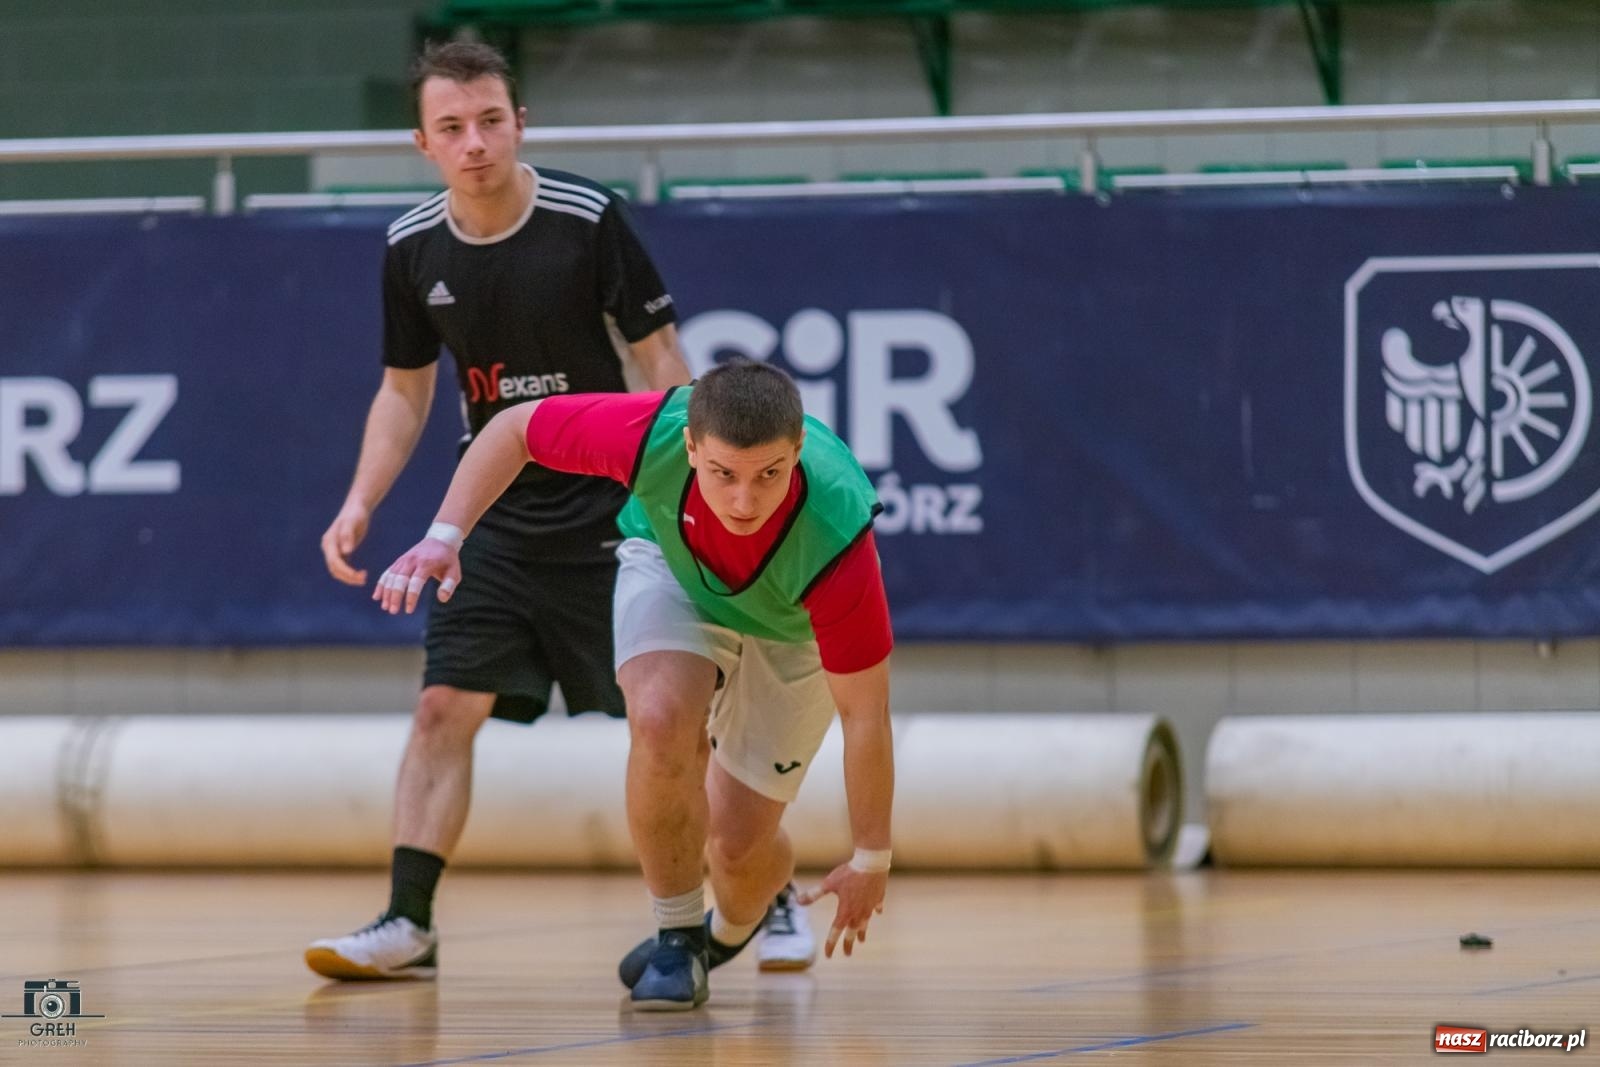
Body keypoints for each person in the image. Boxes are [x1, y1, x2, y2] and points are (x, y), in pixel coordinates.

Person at [304, 41, 817, 981]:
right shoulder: (411, 245)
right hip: (493, 513)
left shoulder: (587, 219)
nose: (475, 144)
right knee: (440, 707)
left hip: (617, 512)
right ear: (422, 141)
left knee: (673, 726)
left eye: (491, 121)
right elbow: (405, 391)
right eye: (452, 128)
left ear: (520, 121)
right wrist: (361, 499)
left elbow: (662, 360)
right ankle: (408, 921)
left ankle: (763, 890)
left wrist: (695, 483)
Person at [374, 360, 896, 1010]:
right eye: (722, 474)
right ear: (690, 448)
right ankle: (677, 935)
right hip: (673, 566)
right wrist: (445, 536)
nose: (743, 500)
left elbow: (867, 717)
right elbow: (512, 428)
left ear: (796, 452)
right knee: (657, 719)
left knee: (738, 844)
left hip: (791, 629)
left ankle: (727, 929)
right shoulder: (650, 431)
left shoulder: (837, 531)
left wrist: (872, 856)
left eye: (769, 474)